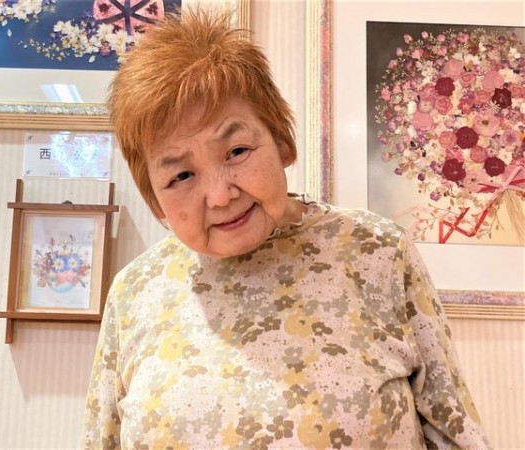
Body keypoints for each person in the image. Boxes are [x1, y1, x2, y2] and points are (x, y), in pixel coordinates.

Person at [82, 6, 491, 449]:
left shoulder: (376, 251)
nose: (219, 196)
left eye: (236, 151)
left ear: (281, 141)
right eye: (181, 175)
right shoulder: (134, 291)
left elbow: (455, 435)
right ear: (154, 198)